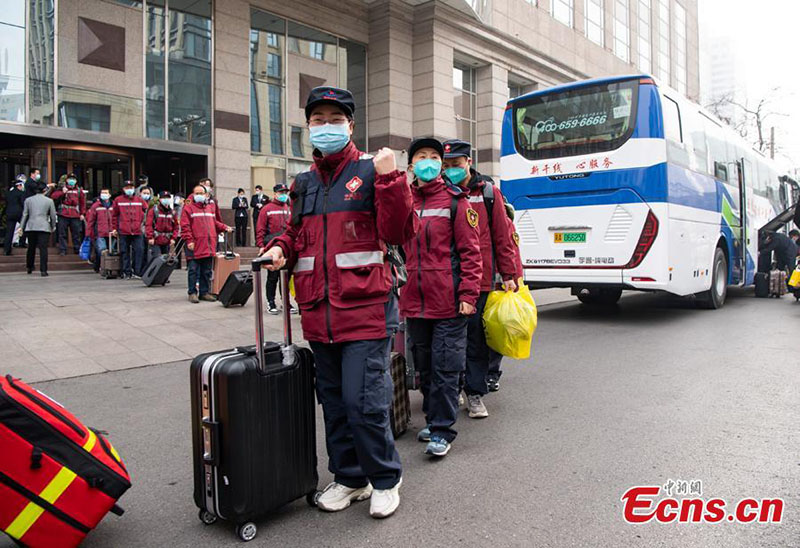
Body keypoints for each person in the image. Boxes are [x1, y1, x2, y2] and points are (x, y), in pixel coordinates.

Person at [260, 86, 417, 519]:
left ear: (351, 125)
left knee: (363, 401)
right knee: (333, 401)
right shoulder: (304, 182)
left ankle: (385, 478)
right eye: (317, 120)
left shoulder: (371, 171)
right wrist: (279, 248)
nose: (325, 127)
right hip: (318, 311)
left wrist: (389, 178)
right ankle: (351, 477)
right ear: (308, 127)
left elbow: (400, 231)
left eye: (335, 119)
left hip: (365, 309)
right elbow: (295, 233)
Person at [399, 138, 482, 457]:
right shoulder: (404, 200)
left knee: (446, 366)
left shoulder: (455, 201)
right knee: (425, 367)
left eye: (435, 157)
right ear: (411, 166)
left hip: (449, 301)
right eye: (423, 156)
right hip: (415, 302)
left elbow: (471, 253)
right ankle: (433, 421)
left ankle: (443, 430)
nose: (430, 161)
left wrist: (468, 294)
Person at [442, 139, 519, 405]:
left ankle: (475, 392)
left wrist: (509, 275)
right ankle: (455, 387)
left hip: (482, 280)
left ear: (468, 163)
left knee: (475, 339)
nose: (451, 169)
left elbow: (503, 237)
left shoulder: (487, 193)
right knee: (451, 340)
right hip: (447, 279)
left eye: (456, 164)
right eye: (447, 165)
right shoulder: (440, 193)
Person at [181, 184, 233, 303]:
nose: (199, 195)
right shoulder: (188, 207)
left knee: (207, 270)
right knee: (193, 270)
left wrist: (224, 227)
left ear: (206, 195)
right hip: (195, 244)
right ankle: (192, 292)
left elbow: (214, 223)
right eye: (196, 193)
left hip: (209, 244)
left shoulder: (210, 207)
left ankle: (204, 292)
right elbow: (185, 226)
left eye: (201, 193)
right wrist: (189, 240)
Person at [255, 182, 295, 315]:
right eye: (281, 192)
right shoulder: (267, 209)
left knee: (286, 277)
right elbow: (260, 228)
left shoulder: (288, 208)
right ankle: (270, 302)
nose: (283, 195)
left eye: (285, 192)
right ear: (275, 194)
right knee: (272, 277)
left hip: (286, 247)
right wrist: (261, 245)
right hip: (272, 246)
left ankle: (286, 302)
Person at [111, 180, 148, 279]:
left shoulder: (139, 200)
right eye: (127, 188)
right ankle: (126, 272)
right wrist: (114, 228)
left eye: (131, 187)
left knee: (139, 250)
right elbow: (114, 215)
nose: (129, 189)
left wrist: (144, 225)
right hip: (124, 230)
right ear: (123, 189)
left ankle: (138, 271)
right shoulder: (118, 200)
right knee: (124, 251)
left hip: (137, 230)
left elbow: (148, 212)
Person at [19, 183, 57, 276]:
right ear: (44, 190)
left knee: (31, 248)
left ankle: (29, 267)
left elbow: (25, 215)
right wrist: (53, 226)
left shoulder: (28, 200)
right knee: (43, 249)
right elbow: (52, 215)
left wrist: (21, 227)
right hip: (44, 226)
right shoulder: (49, 201)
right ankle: (43, 270)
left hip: (31, 226)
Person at [50, 173, 86, 256]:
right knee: (62, 233)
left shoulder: (79, 190)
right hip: (63, 213)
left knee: (76, 233)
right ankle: (63, 249)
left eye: (73, 179)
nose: (72, 181)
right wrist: (62, 192)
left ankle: (77, 249)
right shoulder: (62, 188)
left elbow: (82, 203)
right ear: (66, 180)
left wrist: (82, 213)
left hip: (75, 214)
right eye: (70, 179)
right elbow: (53, 196)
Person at [85, 188, 114, 273]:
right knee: (101, 251)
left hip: (112, 233)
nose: (104, 194)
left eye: (106, 192)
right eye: (102, 193)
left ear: (109, 195)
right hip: (100, 232)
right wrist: (88, 233)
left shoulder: (114, 205)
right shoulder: (96, 206)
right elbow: (91, 221)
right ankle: (100, 267)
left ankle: (109, 267)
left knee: (112, 251)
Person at [146, 191, 179, 257]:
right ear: (160, 199)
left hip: (167, 240)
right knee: (157, 259)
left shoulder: (172, 212)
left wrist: (173, 238)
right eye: (164, 198)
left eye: (167, 198)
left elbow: (176, 226)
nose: (166, 200)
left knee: (165, 260)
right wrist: (150, 237)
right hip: (155, 240)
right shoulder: (154, 210)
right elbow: (148, 224)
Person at [4, 175, 26, 256]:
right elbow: (23, 203)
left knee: (9, 232)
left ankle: (7, 249)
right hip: (19, 213)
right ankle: (22, 242)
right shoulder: (21, 193)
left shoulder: (8, 193)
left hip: (9, 213)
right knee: (24, 227)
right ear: (19, 186)